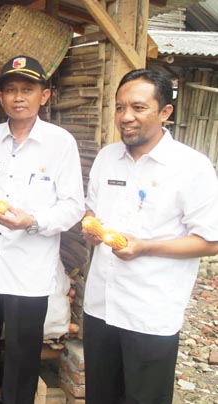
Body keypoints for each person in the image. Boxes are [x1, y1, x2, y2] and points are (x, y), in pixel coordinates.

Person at [82, 69, 218, 404]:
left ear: (165, 113)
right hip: (101, 305)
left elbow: (211, 241)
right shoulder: (106, 158)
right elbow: (91, 214)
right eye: (119, 107)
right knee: (101, 396)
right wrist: (90, 230)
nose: (125, 117)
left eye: (138, 108)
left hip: (150, 312)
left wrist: (146, 247)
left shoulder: (191, 167)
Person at [0, 56, 85, 404]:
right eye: (11, 90)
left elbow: (73, 206)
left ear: (44, 96)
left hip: (29, 271)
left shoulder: (60, 144)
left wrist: (31, 221)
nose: (19, 97)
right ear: (0, 97)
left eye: (27, 90)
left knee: (22, 357)